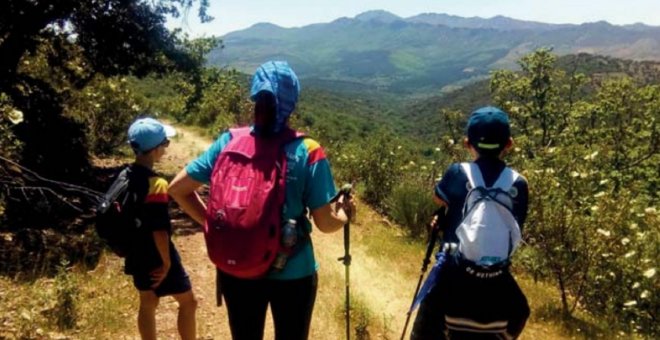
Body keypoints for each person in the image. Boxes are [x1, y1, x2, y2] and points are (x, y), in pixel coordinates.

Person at [168, 61, 355, 340]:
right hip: (293, 272)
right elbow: (326, 224)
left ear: (255, 96)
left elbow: (177, 189)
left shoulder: (228, 142)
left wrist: (212, 222)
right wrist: (345, 214)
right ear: (292, 102)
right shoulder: (308, 151)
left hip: (238, 270)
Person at [410, 106, 530, 340]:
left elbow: (438, 198)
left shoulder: (457, 172)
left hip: (453, 277)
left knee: (428, 323)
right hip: (497, 282)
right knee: (521, 310)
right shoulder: (519, 184)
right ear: (509, 144)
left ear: (467, 143)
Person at [124, 117, 197, 340]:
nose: (165, 147)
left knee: (147, 302)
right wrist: (166, 263)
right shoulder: (156, 184)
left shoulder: (124, 176)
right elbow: (160, 230)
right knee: (188, 302)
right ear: (156, 150)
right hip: (155, 253)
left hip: (134, 250)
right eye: (164, 143)